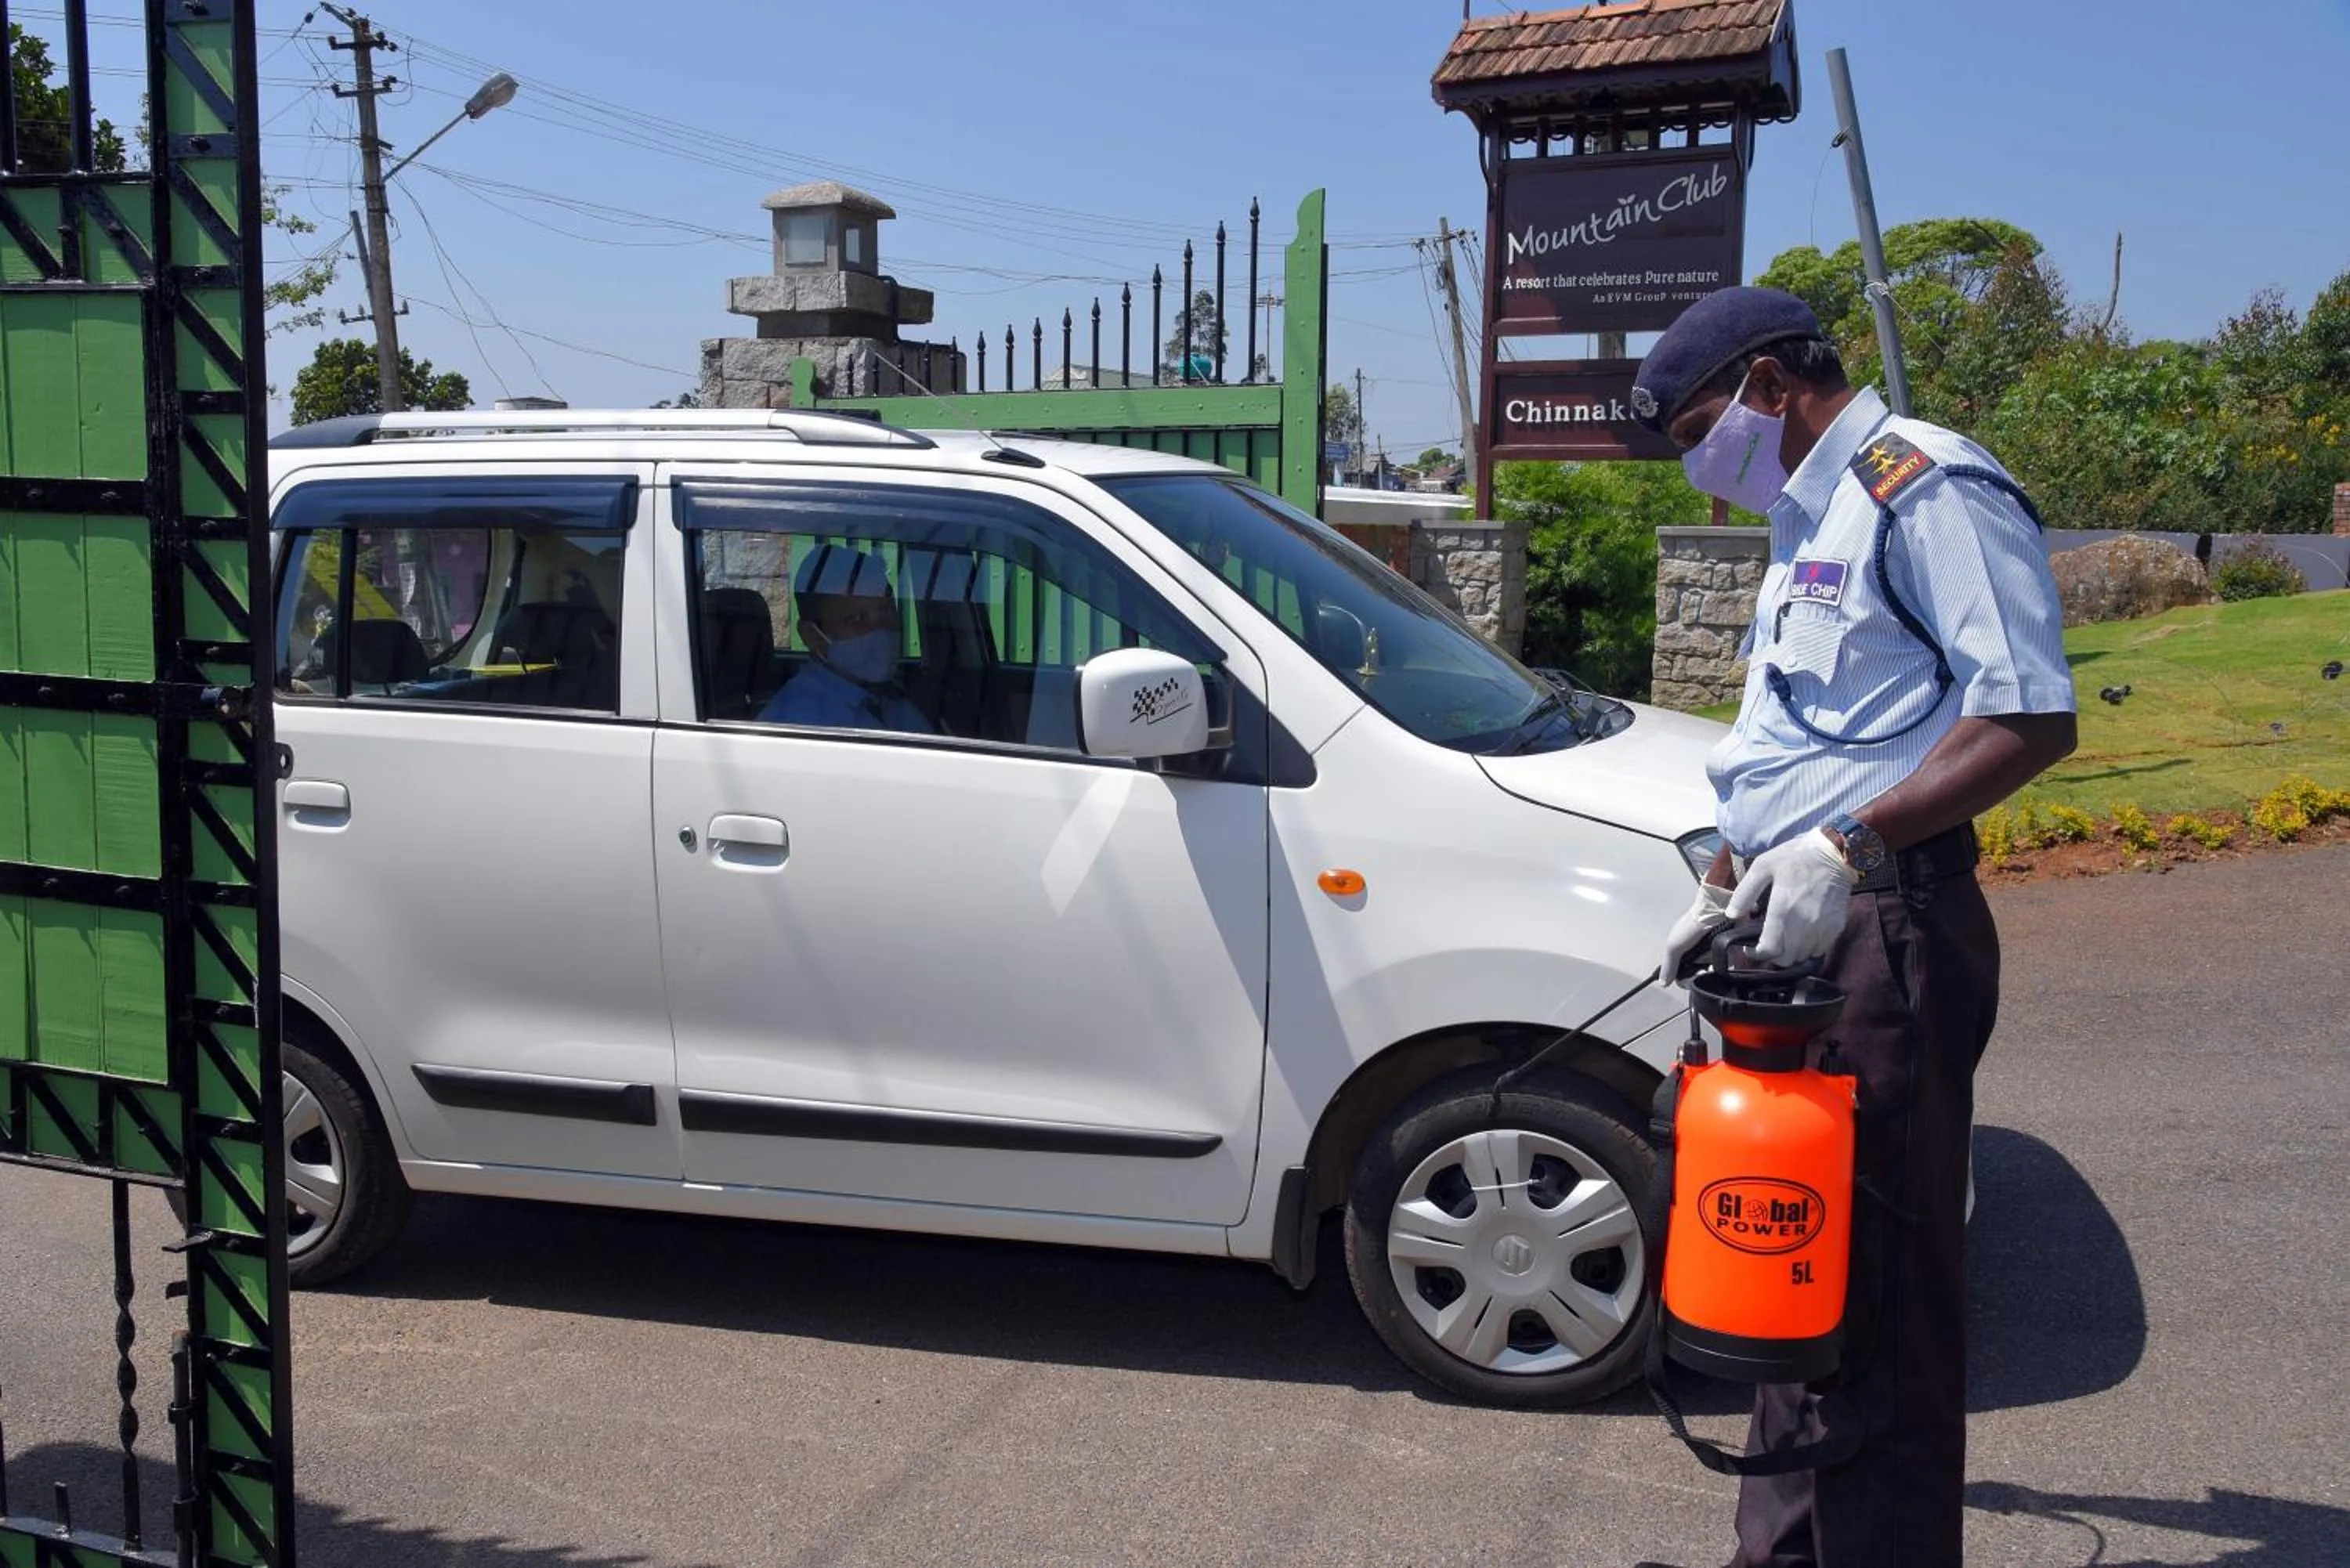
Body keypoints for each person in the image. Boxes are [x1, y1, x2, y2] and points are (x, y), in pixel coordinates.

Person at [1640, 287, 2077, 1568]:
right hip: (1796, 933)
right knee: (1785, 1273)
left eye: (1704, 428)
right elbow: (1798, 737)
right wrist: (1725, 879)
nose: (1702, 463)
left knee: (1875, 1293)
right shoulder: (1807, 513)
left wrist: (1849, 845)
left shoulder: (1920, 485)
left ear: (1773, 386)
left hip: (1888, 930)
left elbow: (2028, 714)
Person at [758, 543, 934, 733]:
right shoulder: (800, 723)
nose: (880, 628)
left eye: (886, 609)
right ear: (813, 637)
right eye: (854, 619)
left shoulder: (891, 700)